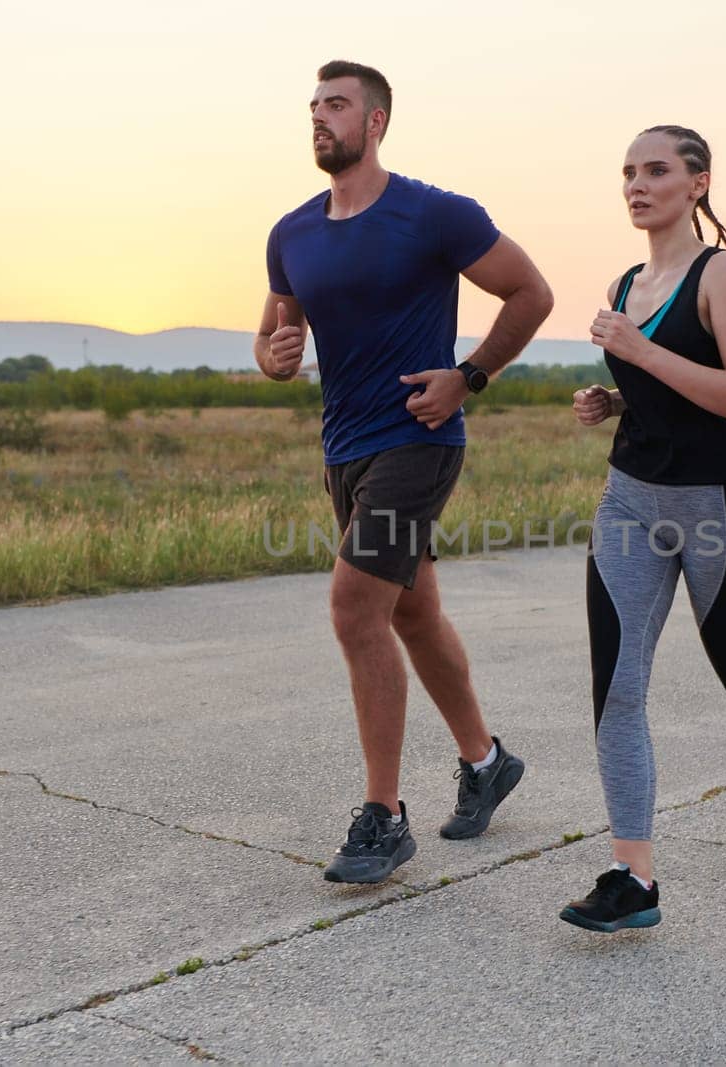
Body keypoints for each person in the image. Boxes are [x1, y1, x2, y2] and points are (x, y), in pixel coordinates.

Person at [254, 60, 554, 884]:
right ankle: (486, 760)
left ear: (376, 121)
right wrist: (276, 355)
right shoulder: (291, 233)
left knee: (357, 609)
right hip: (343, 449)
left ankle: (383, 816)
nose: (321, 118)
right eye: (314, 106)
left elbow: (531, 292)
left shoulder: (435, 213)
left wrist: (470, 375)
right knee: (412, 615)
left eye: (337, 105)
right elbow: (274, 336)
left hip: (418, 440)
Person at [560, 125, 726, 932]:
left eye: (658, 170)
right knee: (617, 684)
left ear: (699, 183)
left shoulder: (725, 275)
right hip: (630, 500)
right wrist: (615, 397)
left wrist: (639, 353)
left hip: (715, 507)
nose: (638, 185)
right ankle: (632, 876)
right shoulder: (626, 279)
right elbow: (661, 388)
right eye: (629, 173)